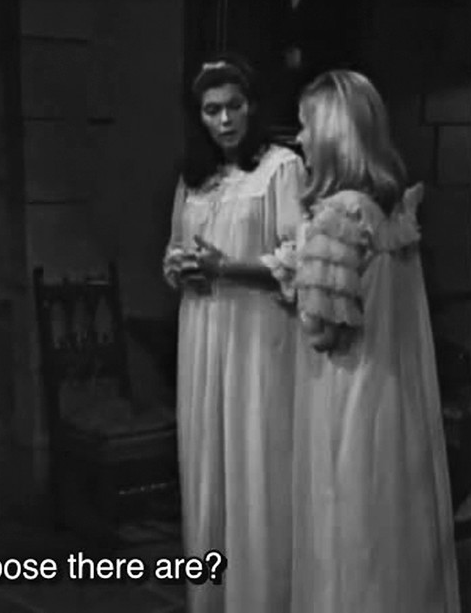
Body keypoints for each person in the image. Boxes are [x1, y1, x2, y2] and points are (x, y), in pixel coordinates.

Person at [263, 70, 461, 612]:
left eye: (306, 125)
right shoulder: (388, 210)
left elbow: (325, 330)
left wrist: (295, 281)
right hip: (392, 396)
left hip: (348, 395)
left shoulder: (340, 216)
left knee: (346, 527)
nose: (300, 139)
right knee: (384, 531)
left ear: (332, 133)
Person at [163, 56, 304, 612]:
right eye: (212, 110)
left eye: (234, 107)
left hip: (257, 332)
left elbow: (299, 260)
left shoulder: (280, 169)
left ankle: (263, 597)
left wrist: (228, 268)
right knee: (208, 461)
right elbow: (174, 249)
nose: (224, 120)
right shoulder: (194, 179)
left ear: (253, 107)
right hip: (203, 330)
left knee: (255, 458)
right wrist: (182, 267)